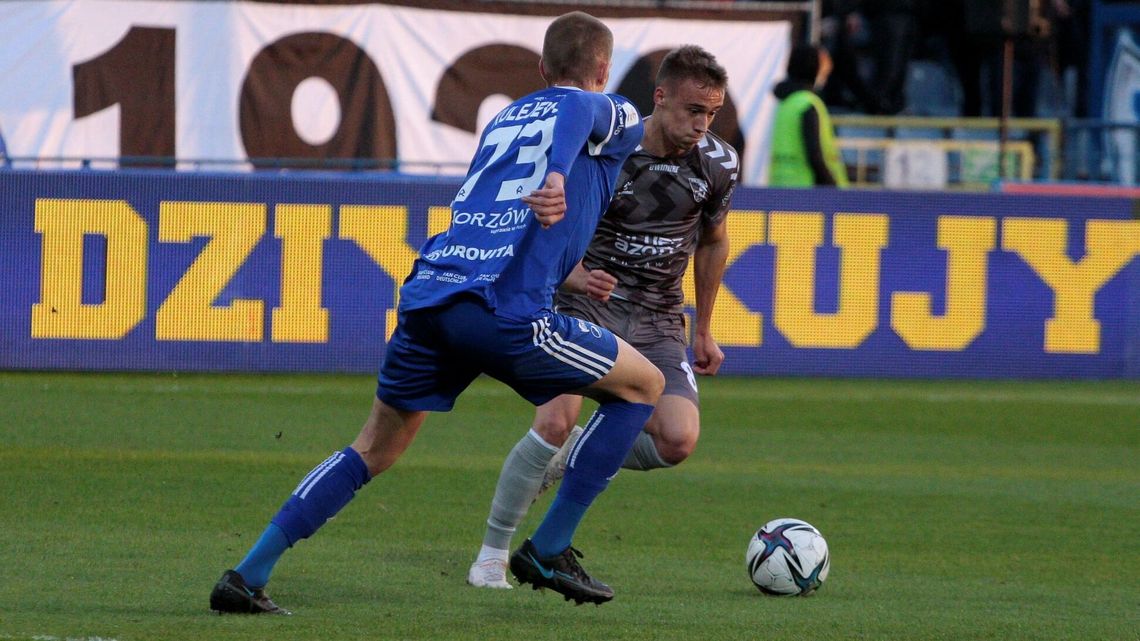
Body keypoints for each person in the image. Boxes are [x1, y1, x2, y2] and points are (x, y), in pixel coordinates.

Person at [208, 10, 659, 613]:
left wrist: (566, 265)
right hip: (503, 311)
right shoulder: (606, 109)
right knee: (642, 386)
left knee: (374, 448)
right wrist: (557, 175)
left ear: (540, 67)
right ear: (603, 69)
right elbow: (578, 107)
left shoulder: (504, 119)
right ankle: (549, 548)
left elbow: (504, 212)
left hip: (433, 293)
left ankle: (247, 573)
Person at [467, 44, 738, 590]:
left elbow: (713, 240)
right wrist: (575, 275)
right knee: (554, 422)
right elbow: (549, 223)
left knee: (677, 440)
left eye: (711, 113)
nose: (702, 125)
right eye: (693, 110)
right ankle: (492, 555)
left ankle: (578, 452)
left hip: (660, 318)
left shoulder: (719, 164)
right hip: (586, 305)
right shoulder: (609, 149)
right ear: (659, 98)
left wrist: (705, 327)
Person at [769, 44, 850, 187]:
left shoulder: (785, 103)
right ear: (813, 69)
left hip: (780, 184)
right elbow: (815, 155)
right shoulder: (807, 103)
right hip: (806, 188)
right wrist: (832, 186)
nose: (825, 77)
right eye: (824, 72)